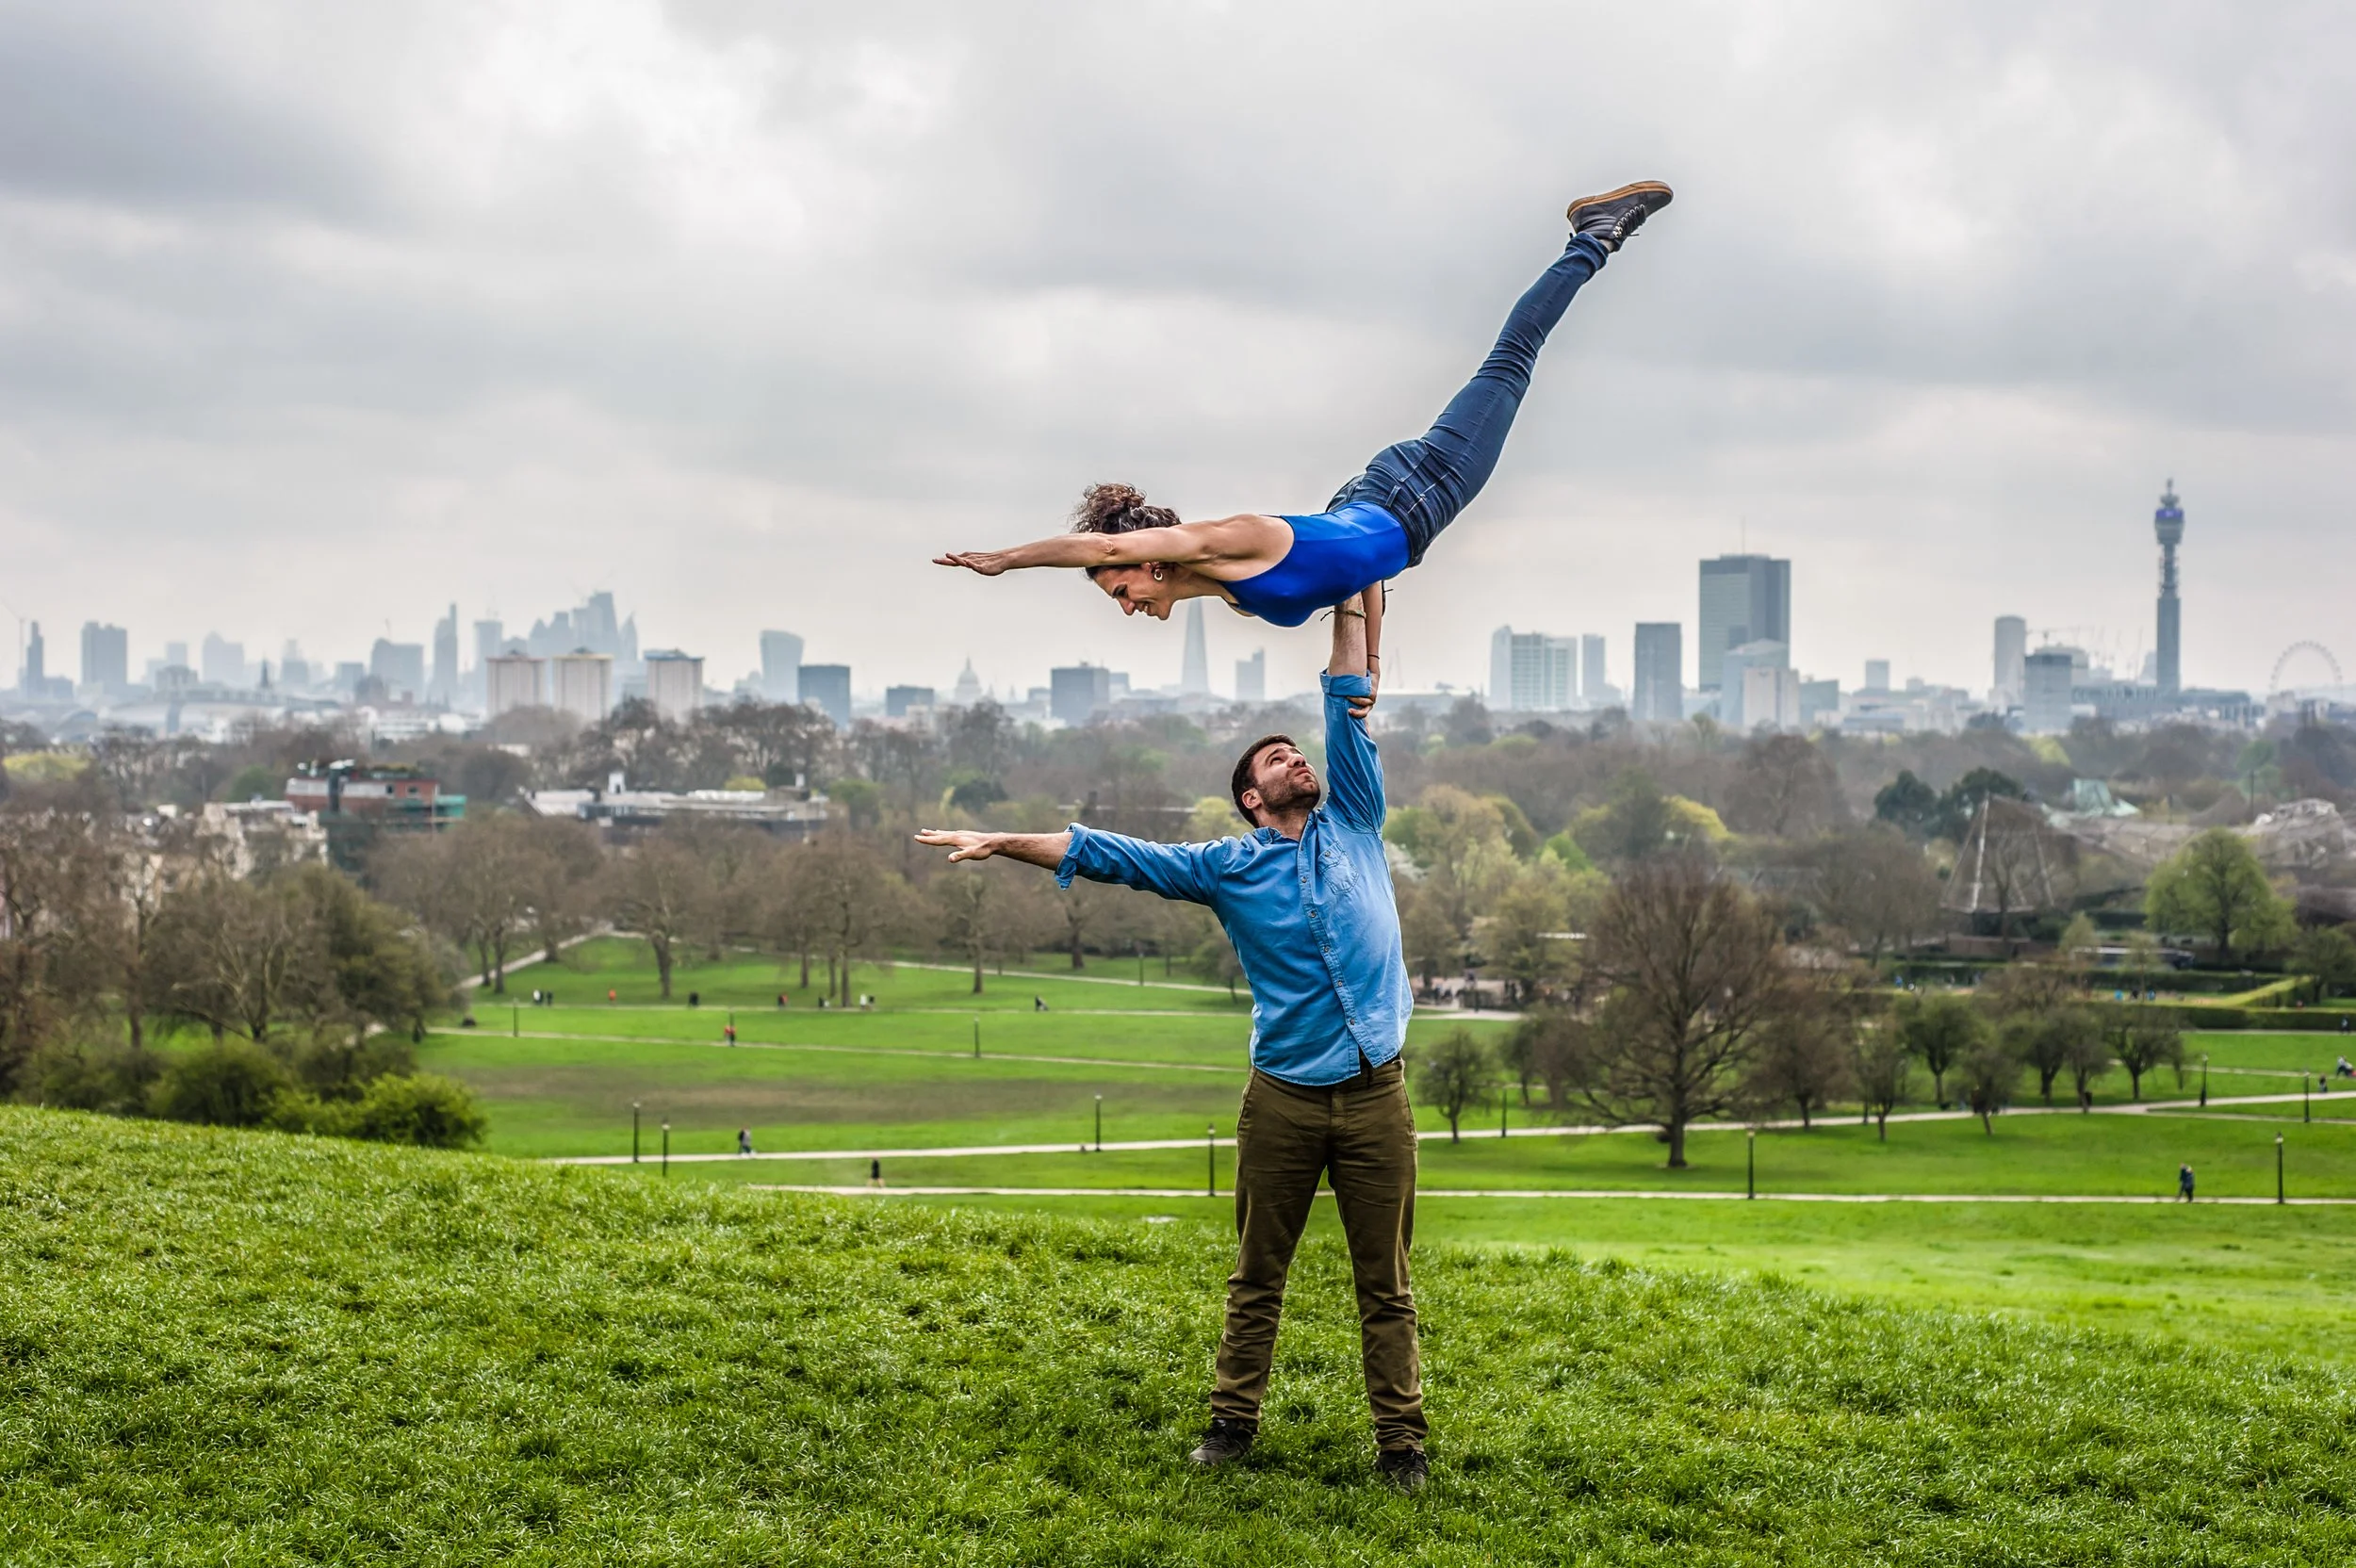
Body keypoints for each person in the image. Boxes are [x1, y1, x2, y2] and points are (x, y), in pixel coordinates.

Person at [916, 593, 1430, 1493]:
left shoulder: (1355, 820)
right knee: (1257, 1274)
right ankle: (1232, 1425)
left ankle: (1401, 1446)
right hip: (1284, 1099)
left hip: (1377, 1092)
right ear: (1250, 797)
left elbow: (1347, 693)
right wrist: (1000, 840)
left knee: (1384, 1282)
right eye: (1277, 758)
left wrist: (1354, 591)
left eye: (1298, 752)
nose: (1296, 759)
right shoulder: (1225, 870)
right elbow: (1112, 853)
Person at [933, 183, 1674, 706]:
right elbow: (1356, 579)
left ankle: (1593, 235)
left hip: (1416, 492)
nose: (1126, 605)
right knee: (1510, 365)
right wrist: (1369, 670)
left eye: (1122, 589)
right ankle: (1592, 237)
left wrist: (1006, 559)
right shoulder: (1233, 596)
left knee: (1512, 359)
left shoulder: (1230, 542)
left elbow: (1105, 548)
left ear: (1149, 560)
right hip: (1382, 514)